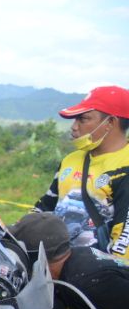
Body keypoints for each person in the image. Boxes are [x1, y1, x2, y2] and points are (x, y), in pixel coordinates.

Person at [34, 85, 129, 259]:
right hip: (53, 265)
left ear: (110, 122)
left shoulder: (124, 167)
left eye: (83, 119)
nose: (74, 127)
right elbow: (46, 207)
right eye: (74, 119)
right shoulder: (71, 160)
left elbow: (124, 239)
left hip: (100, 274)